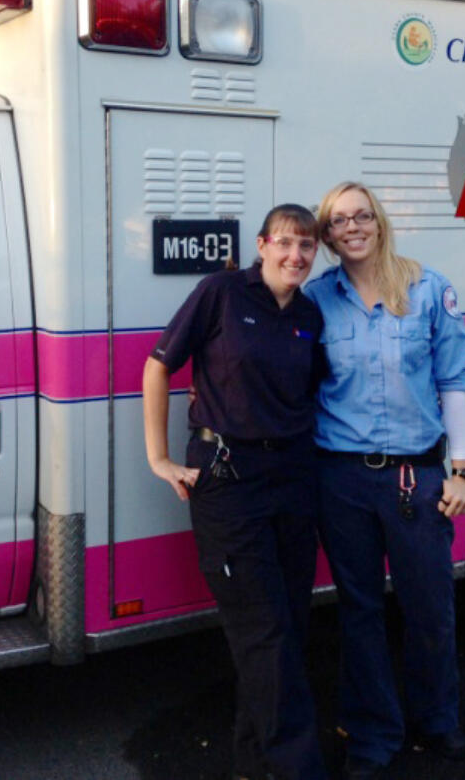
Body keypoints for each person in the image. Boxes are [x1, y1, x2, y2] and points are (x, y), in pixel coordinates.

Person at [142, 204, 328, 780]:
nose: (296, 256)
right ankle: (301, 768)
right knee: (263, 629)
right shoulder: (222, 292)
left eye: (307, 247)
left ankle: (253, 761)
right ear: (264, 243)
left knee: (288, 623)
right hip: (228, 480)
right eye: (286, 243)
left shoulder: (310, 314)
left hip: (294, 476)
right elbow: (157, 366)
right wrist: (159, 458)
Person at [304, 181, 465, 780]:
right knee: (359, 611)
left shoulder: (429, 289)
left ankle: (438, 716)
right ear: (326, 235)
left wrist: (462, 469)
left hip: (416, 477)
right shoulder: (317, 300)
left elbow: (454, 381)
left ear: (379, 220)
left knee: (430, 604)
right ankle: (373, 735)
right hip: (342, 479)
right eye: (338, 221)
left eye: (361, 215)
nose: (352, 227)